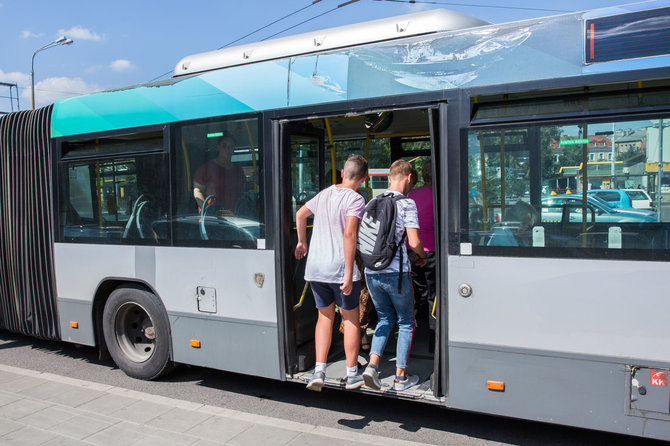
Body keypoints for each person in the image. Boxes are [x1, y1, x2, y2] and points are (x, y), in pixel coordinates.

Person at [295, 154, 368, 391]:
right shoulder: (356, 199)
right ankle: (352, 373)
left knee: (324, 318)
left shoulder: (324, 193)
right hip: (339, 269)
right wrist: (349, 273)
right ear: (364, 178)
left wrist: (301, 242)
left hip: (316, 269)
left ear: (343, 174)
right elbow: (350, 234)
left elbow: (300, 214)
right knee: (350, 319)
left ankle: (319, 370)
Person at [362, 159, 427, 392]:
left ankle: (372, 366)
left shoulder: (372, 201)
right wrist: (422, 256)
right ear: (409, 177)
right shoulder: (407, 204)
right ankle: (400, 378)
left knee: (384, 319)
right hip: (396, 273)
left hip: (371, 272)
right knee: (406, 322)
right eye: (412, 183)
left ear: (390, 177)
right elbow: (414, 242)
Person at [407, 159, 436, 352]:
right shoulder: (442, 195)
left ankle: (411, 339)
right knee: (435, 297)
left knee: (415, 294)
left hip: (412, 251)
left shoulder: (412, 195)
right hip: (434, 253)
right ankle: (434, 342)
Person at [193, 133, 245, 211]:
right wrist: (206, 211)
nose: (227, 150)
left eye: (231, 147)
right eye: (224, 146)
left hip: (234, 217)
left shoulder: (238, 169)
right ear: (218, 147)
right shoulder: (206, 168)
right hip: (213, 219)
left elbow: (244, 188)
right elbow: (197, 190)